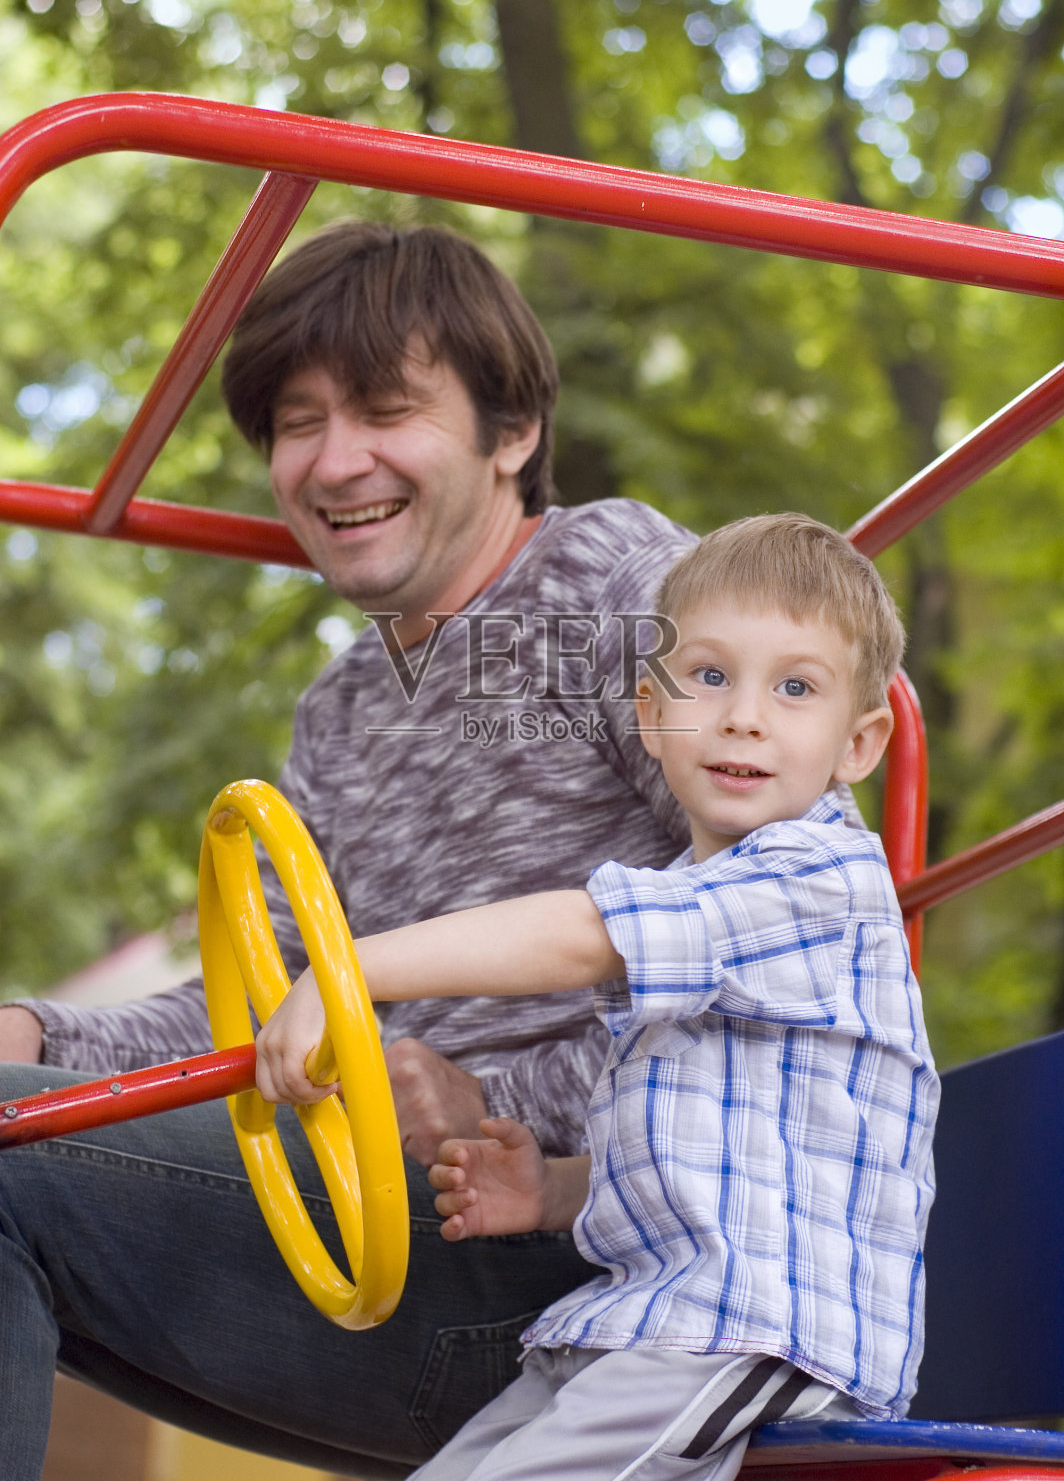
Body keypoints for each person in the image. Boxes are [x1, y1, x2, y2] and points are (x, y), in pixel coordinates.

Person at [0, 221, 700, 1479]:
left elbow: (789, 932)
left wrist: (498, 1111)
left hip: (578, 1269)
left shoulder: (617, 585)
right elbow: (253, 998)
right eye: (295, 421)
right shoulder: (345, 703)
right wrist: (41, 1039)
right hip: (383, 1237)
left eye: (384, 408)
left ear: (512, 433)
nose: (333, 462)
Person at [255, 514, 940, 1481]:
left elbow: (580, 934)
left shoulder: (815, 881)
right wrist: (553, 1192)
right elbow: (717, 1161)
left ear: (859, 744)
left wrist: (350, 970)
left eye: (795, 688)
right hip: (640, 1330)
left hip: (761, 1332)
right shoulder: (700, 912)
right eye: (710, 677)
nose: (745, 714)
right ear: (652, 715)